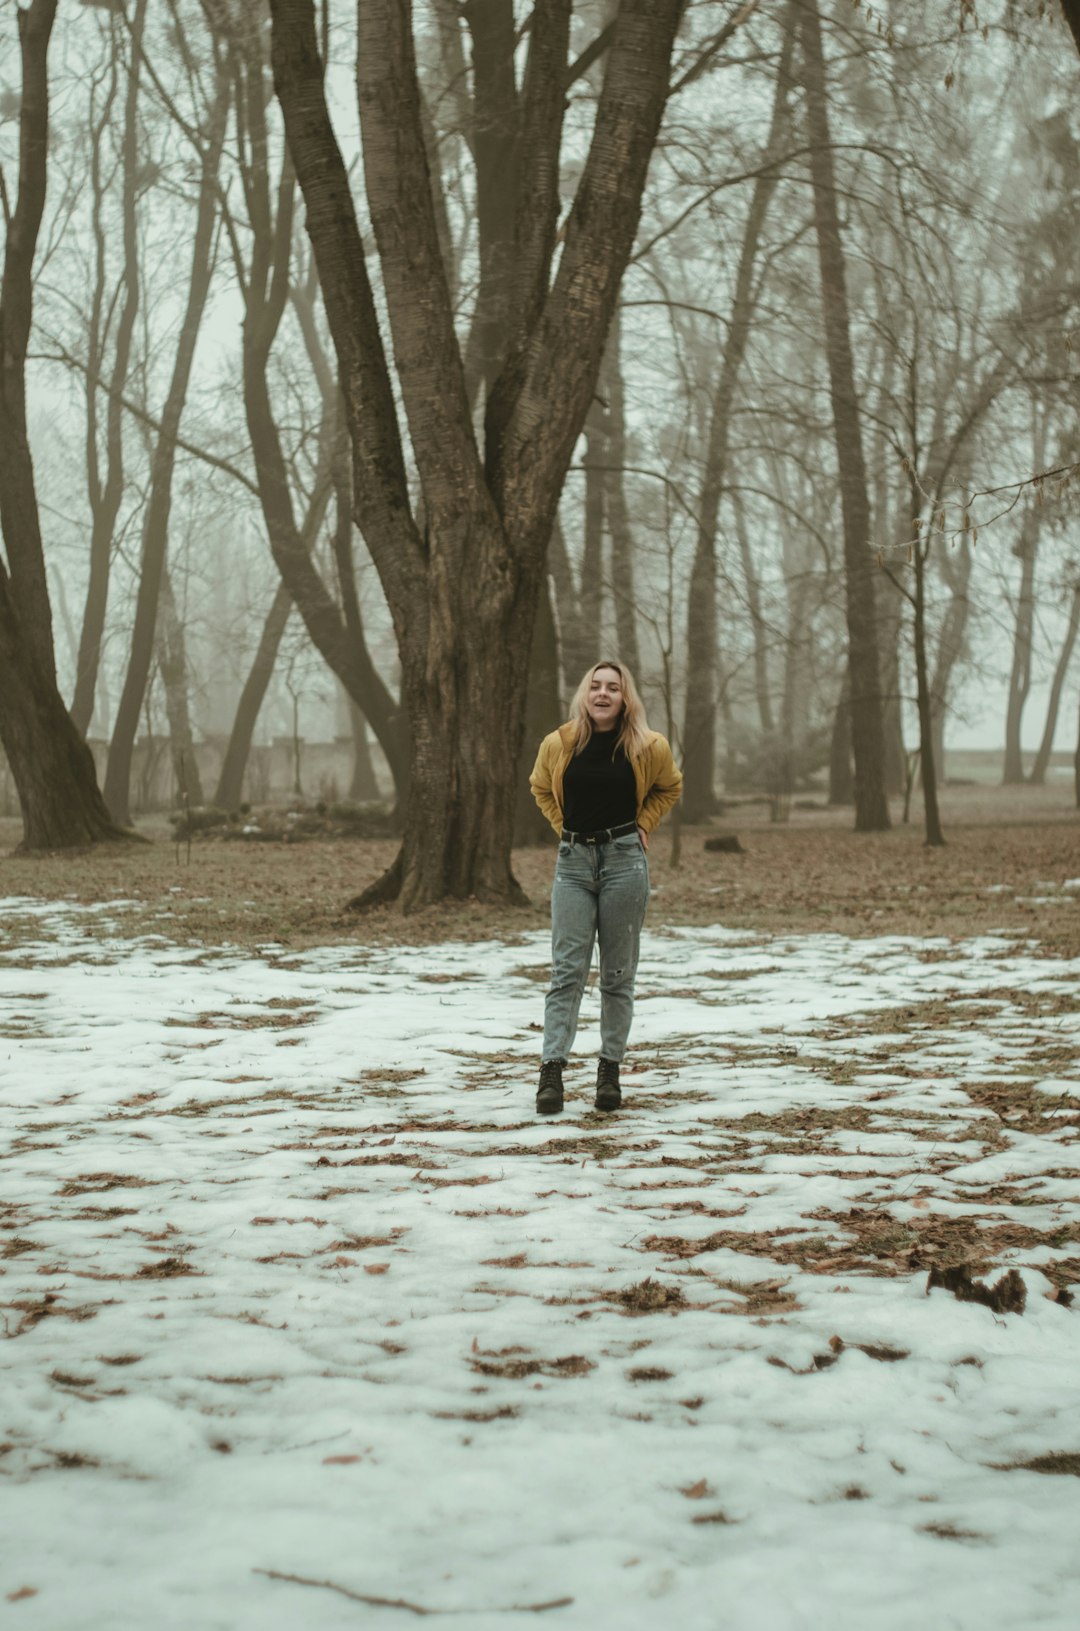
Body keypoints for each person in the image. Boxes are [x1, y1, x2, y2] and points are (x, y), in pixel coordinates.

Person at [528, 660, 683, 1116]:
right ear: (584, 694)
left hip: (623, 864)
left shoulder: (648, 746)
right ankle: (551, 1073)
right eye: (594, 686)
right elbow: (539, 788)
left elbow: (669, 789)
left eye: (612, 688)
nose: (601, 694)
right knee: (566, 973)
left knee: (617, 976)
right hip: (573, 866)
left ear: (625, 697)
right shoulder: (559, 743)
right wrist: (564, 829)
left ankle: (609, 1072)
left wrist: (645, 825)